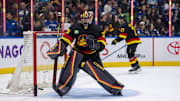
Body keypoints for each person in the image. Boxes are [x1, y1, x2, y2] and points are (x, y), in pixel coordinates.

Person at [47, 11, 124, 97]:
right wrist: (59, 48)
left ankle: (115, 88)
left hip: (91, 56)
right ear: (81, 19)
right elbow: (66, 39)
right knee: (69, 69)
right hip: (77, 53)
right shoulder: (75, 27)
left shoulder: (96, 29)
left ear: (90, 19)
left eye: (87, 19)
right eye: (84, 19)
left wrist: (97, 46)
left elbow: (102, 43)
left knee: (99, 73)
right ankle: (62, 87)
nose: (85, 21)